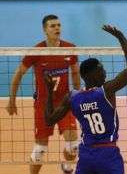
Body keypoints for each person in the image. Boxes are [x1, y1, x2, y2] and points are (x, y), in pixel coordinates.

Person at [44, 24, 127, 174]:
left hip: (87, 156)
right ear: (90, 75)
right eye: (101, 70)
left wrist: (49, 91)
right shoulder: (106, 90)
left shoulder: (72, 97)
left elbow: (49, 120)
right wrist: (120, 36)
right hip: (108, 154)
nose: (105, 72)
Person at [6, 14, 80, 174]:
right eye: (52, 26)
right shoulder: (36, 51)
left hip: (65, 102)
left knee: (73, 144)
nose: (57, 28)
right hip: (43, 104)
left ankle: (67, 168)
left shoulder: (69, 48)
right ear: (44, 30)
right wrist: (11, 101)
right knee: (40, 149)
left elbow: (75, 73)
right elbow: (18, 75)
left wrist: (78, 95)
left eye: (59, 25)